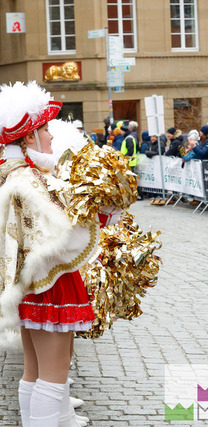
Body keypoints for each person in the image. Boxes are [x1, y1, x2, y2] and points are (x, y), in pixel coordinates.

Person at [0, 81, 107, 426]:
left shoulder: (11, 173)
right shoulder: (30, 179)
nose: (50, 136)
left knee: (35, 371)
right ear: (29, 138)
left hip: (26, 284)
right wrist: (100, 211)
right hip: (48, 283)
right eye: (45, 129)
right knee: (53, 375)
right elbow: (64, 234)